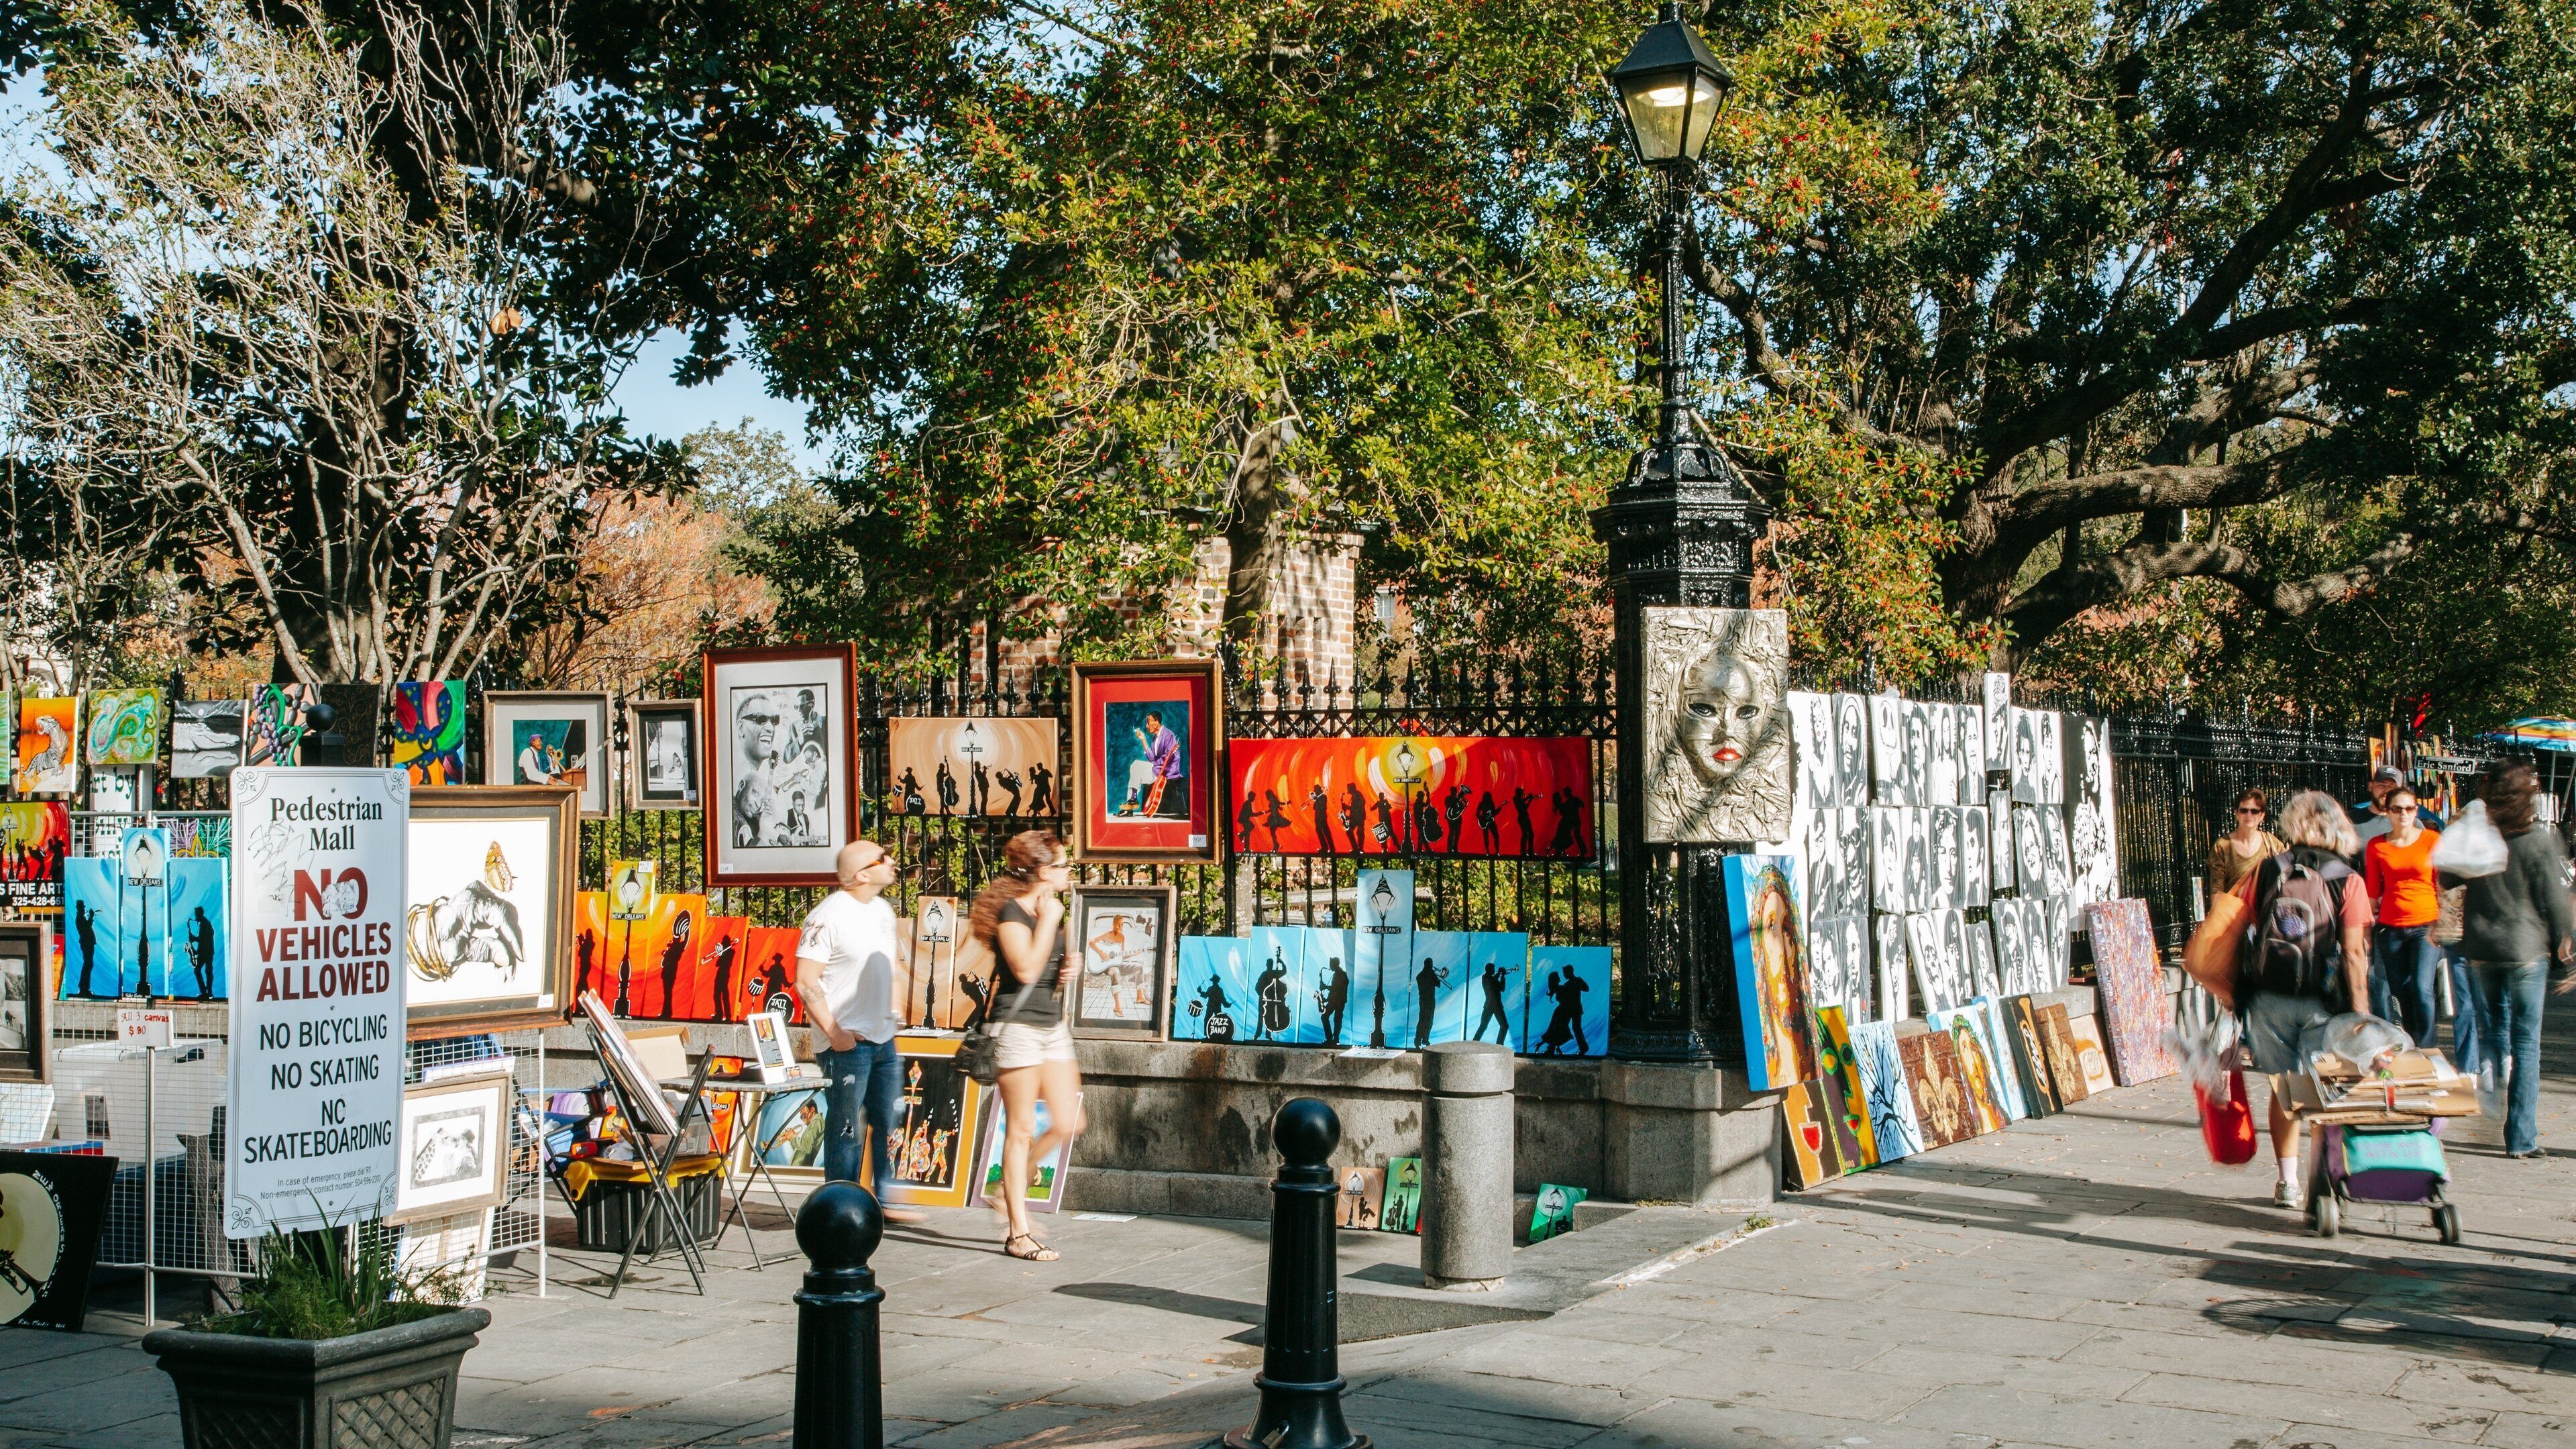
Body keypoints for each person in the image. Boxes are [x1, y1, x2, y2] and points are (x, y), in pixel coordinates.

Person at [2231, 791, 2373, 1211]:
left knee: (2284, 1088)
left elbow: (2241, 925)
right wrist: (2361, 1011)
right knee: (2323, 1089)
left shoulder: (2267, 869)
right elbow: (2354, 952)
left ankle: (2287, 1182)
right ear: (2339, 827)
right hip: (2323, 1000)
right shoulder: (2347, 878)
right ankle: (2320, 1180)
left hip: (2268, 997)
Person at [2444, 761, 2575, 1159]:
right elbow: (2555, 900)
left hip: (2482, 950)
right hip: (2525, 951)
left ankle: (2491, 1094)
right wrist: (2567, 951)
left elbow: (2447, 879)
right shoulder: (2537, 839)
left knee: (2494, 1033)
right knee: (2526, 1043)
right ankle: (2521, 1138)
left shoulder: (2480, 834)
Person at [969, 830, 1085, 1260]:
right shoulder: (1012, 912)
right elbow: (1024, 970)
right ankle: (1018, 1233)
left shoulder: (1052, 910)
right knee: (1019, 1129)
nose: (1069, 871)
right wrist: (1051, 922)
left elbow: (1047, 969)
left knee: (1070, 1122)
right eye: (1062, 865)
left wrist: (1067, 967)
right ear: (1043, 871)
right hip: (1017, 1028)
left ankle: (1009, 1187)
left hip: (1050, 1026)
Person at [793, 840, 921, 1222]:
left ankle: (885, 1202)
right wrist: (835, 1034)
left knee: (888, 1120)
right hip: (847, 1045)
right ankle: (839, 1213)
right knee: (846, 1131)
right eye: (882, 858)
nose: (892, 861)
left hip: (883, 1040)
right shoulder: (826, 916)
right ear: (862, 874)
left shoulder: (883, 910)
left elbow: (889, 966)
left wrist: (894, 1011)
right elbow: (805, 981)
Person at [2363, 785, 2443, 1045]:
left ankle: (2428, 1047)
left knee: (2422, 988)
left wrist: (2445, 922)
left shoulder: (2431, 840)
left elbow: (2441, 884)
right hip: (2391, 927)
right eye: (2397, 809)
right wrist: (2364, 930)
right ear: (2388, 812)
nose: (2404, 814)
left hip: (2426, 924)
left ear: (2416, 811)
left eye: (2409, 808)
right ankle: (2412, 1044)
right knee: (2400, 992)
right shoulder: (2377, 845)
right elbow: (2372, 890)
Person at [2205, 788, 2286, 902]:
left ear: (2262, 815)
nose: (2249, 815)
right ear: (2236, 813)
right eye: (2244, 810)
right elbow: (2216, 891)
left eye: (2254, 811)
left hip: (2265, 910)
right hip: (2235, 911)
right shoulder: (2222, 846)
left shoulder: (2272, 844)